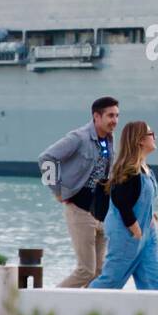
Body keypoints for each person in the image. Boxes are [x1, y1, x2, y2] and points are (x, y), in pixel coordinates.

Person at [38, 97, 119, 287]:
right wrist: (56, 190)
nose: (115, 120)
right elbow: (46, 158)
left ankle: (85, 305)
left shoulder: (109, 139)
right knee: (86, 271)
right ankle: (49, 300)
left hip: (101, 212)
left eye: (117, 116)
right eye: (110, 116)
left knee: (99, 272)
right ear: (96, 116)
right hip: (80, 210)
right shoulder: (79, 137)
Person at [89, 121, 158, 290]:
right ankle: (81, 303)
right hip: (127, 235)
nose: (154, 137)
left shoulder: (146, 170)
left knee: (155, 282)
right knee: (111, 281)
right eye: (151, 134)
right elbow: (120, 200)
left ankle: (154, 308)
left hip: (147, 235)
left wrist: (150, 213)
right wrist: (134, 228)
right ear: (140, 140)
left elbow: (140, 199)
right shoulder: (129, 170)